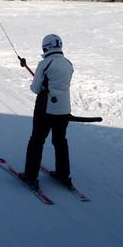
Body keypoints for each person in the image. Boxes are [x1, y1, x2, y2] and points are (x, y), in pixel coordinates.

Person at [18, 34, 74, 190]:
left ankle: (30, 176)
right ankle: (63, 175)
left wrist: (41, 82)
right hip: (64, 110)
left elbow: (35, 88)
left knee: (37, 141)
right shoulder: (68, 64)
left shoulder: (45, 64)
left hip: (46, 109)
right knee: (60, 141)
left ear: (46, 47)